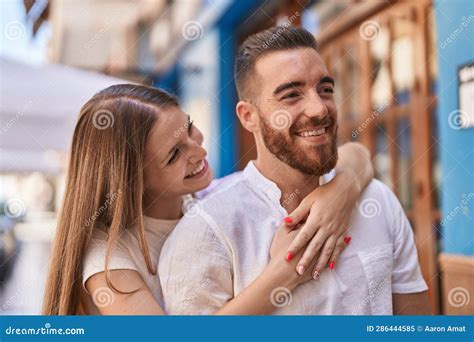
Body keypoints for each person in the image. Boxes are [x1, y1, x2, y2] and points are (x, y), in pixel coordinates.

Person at [159, 26, 431, 315]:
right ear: (248, 116)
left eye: (325, 90)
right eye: (291, 95)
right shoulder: (206, 231)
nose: (319, 109)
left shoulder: (377, 200)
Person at [42, 83, 373, 315]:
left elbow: (357, 154)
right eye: (174, 154)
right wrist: (285, 273)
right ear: (131, 181)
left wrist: (337, 194)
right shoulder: (109, 260)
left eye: (189, 128)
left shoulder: (204, 199)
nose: (198, 150)